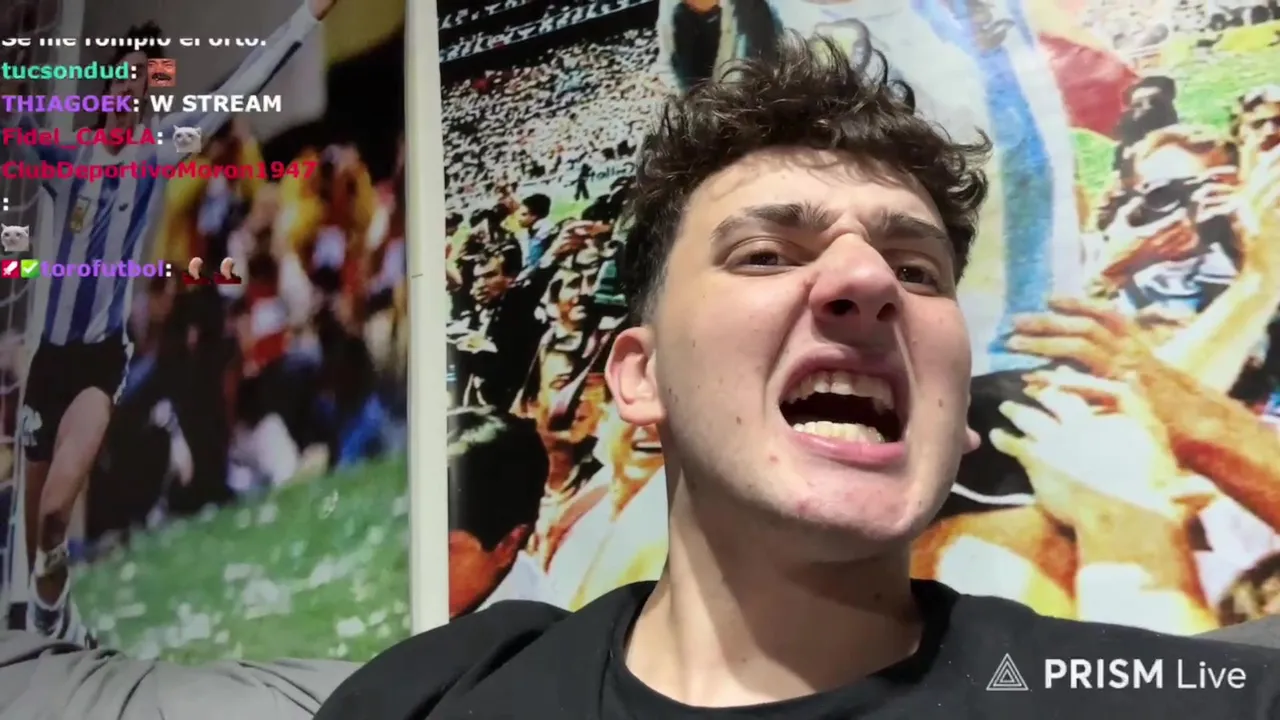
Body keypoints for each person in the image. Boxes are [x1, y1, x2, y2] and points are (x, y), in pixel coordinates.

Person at [316, 37, 1280, 719]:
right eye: (767, 254)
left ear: (957, 405)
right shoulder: (436, 691)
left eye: (917, 271)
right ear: (640, 379)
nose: (867, 280)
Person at [0, 0, 342, 644]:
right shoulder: (67, 158)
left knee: (52, 516)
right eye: (128, 75)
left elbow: (244, 82)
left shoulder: (160, 150)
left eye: (147, 78)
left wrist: (305, 19)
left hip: (100, 361)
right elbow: (15, 119)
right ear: (107, 86)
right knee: (36, 531)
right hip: (50, 362)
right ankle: (53, 612)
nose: (136, 87)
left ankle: (50, 613)